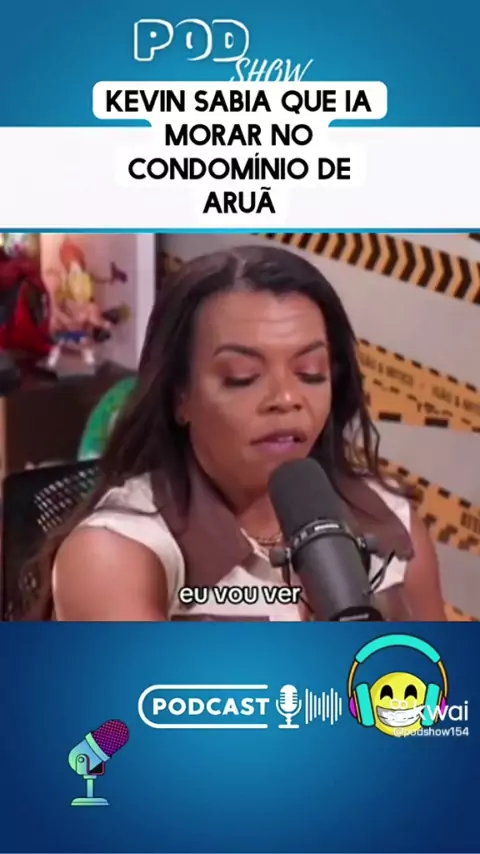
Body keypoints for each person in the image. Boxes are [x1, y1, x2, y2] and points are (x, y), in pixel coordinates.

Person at [29, 245, 445, 621]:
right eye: (242, 377)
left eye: (310, 373)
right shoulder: (114, 554)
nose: (286, 398)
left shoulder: (391, 521)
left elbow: (436, 678)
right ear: (180, 396)